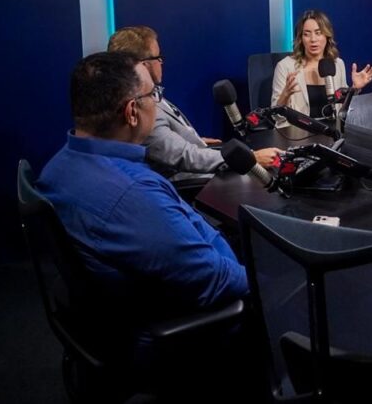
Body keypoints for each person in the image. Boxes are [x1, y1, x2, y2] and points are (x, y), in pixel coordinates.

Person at [37, 52, 255, 397]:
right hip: (171, 327)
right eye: (153, 94)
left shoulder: (57, 167)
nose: (158, 100)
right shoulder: (132, 193)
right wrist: (266, 277)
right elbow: (216, 281)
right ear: (131, 112)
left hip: (109, 314)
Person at [108, 26, 280, 179]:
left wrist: (195, 141)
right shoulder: (143, 107)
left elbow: (167, 144)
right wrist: (250, 158)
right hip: (194, 179)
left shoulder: (149, 95)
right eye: (158, 57)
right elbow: (184, 156)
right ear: (144, 65)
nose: (162, 62)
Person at [271, 10, 372, 118]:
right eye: (306, 34)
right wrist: (285, 95)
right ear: (300, 39)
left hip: (332, 126)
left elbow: (343, 107)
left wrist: (354, 88)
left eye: (318, 33)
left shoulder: (337, 64)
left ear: (327, 36)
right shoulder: (285, 66)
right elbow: (275, 115)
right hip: (298, 128)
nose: (313, 39)